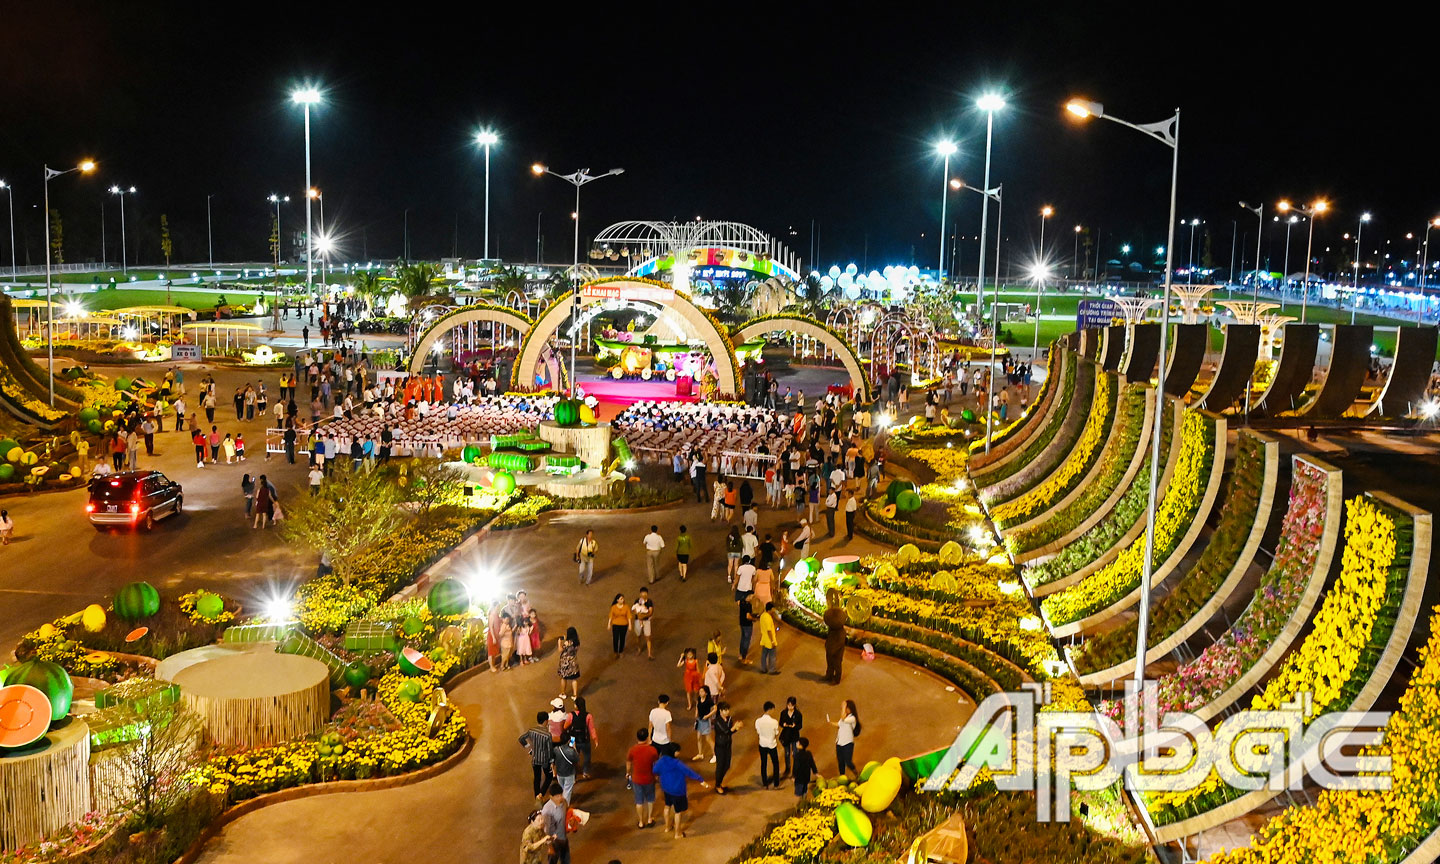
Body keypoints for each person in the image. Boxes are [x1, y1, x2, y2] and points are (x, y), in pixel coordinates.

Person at [653, 743, 705, 839]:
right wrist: (700, 779)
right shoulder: (677, 763)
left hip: (666, 788)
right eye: (678, 751)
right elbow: (689, 772)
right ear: (673, 752)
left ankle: (667, 827)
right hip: (677, 790)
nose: (679, 752)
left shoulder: (661, 761)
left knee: (667, 806)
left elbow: (654, 770)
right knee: (678, 812)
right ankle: (678, 833)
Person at [626, 728, 660, 829]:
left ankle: (641, 822)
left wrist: (628, 773)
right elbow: (655, 764)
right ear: (647, 737)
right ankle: (650, 819)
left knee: (639, 801)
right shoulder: (652, 750)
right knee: (650, 799)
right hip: (649, 778)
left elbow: (628, 763)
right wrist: (656, 775)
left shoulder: (632, 750)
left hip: (637, 779)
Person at [520, 712, 556, 798]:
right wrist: (552, 761)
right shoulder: (547, 735)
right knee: (549, 776)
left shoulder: (531, 730)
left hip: (535, 759)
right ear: (545, 721)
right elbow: (549, 750)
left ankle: (536, 795)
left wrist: (529, 748)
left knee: (537, 778)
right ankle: (541, 794)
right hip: (544, 760)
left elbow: (521, 739)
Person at [829, 699, 860, 778]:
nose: (845, 710)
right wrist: (830, 722)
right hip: (839, 742)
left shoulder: (852, 718)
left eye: (846, 708)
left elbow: (843, 719)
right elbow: (839, 724)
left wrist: (843, 706)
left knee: (848, 761)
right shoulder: (844, 718)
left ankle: (856, 773)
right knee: (840, 762)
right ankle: (842, 776)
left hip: (848, 743)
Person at [540, 783, 570, 864]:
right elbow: (546, 830)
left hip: (563, 838)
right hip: (554, 842)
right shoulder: (547, 810)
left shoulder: (564, 802)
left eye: (561, 795)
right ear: (551, 797)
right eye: (557, 796)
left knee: (566, 861)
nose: (560, 798)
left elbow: (567, 813)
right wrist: (550, 847)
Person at [712, 701, 738, 794]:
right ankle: (717, 785)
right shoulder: (717, 721)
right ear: (720, 711)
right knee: (720, 766)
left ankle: (719, 782)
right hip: (720, 746)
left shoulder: (730, 719)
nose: (727, 712)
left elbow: (730, 732)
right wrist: (734, 727)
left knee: (727, 765)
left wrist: (736, 728)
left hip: (727, 745)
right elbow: (726, 731)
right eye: (725, 710)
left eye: (728, 710)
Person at [568, 696, 597, 779]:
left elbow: (566, 726)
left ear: (576, 706)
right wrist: (595, 739)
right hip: (585, 739)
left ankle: (573, 775)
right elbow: (591, 728)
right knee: (587, 757)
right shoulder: (588, 716)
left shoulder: (571, 715)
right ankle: (585, 772)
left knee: (572, 756)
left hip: (573, 739)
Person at [823, 591, 847, 684]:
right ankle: (828, 676)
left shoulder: (840, 632)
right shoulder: (832, 629)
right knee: (830, 664)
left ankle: (836, 679)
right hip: (830, 650)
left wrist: (831, 650)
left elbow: (839, 643)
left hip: (836, 653)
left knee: (837, 665)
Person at [755, 700, 781, 789]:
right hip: (771, 744)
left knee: (764, 763)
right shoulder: (774, 722)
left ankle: (765, 783)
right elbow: (776, 733)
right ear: (770, 709)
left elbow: (758, 731)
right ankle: (776, 783)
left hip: (762, 744)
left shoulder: (758, 721)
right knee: (775, 764)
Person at [779, 696, 803, 778]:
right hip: (786, 736)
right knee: (787, 753)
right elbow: (780, 722)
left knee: (795, 754)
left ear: (794, 705)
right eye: (788, 705)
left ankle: (795, 772)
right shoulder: (783, 713)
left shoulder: (798, 714)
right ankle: (787, 769)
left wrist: (795, 726)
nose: (790, 707)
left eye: (791, 706)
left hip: (794, 736)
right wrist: (783, 724)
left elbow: (800, 726)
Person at [552, 733, 580, 803]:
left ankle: (560, 802)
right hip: (569, 774)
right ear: (568, 741)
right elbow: (577, 759)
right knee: (567, 791)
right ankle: (564, 806)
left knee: (562, 789)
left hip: (559, 773)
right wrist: (574, 748)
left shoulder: (556, 749)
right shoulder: (571, 751)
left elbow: (553, 759)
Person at [557, 627, 581, 699]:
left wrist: (559, 643)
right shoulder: (577, 642)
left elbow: (560, 649)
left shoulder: (567, 643)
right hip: (573, 661)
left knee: (564, 678)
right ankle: (575, 695)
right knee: (574, 679)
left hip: (565, 663)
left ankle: (563, 693)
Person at [694, 685, 716, 763]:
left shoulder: (709, 701)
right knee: (699, 738)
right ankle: (700, 754)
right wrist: (696, 713)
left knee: (708, 739)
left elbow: (715, 709)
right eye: (700, 691)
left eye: (702, 691)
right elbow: (697, 706)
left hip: (706, 721)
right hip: (699, 720)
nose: (700, 693)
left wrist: (708, 716)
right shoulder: (699, 699)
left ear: (706, 693)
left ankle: (715, 755)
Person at [631, 587, 654, 659]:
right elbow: (634, 610)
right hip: (638, 620)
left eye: (645, 593)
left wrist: (643, 615)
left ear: (647, 594)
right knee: (638, 636)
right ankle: (639, 648)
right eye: (642, 593)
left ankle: (649, 654)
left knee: (648, 637)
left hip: (646, 621)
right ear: (640, 594)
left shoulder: (649, 602)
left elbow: (650, 612)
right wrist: (639, 615)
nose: (643, 594)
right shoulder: (637, 601)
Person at [758, 601, 780, 675]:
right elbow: (769, 631)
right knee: (772, 656)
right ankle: (772, 669)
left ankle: (763, 668)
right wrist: (773, 641)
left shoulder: (763, 615)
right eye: (773, 609)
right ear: (770, 609)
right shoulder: (768, 618)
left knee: (764, 655)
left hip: (764, 639)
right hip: (769, 641)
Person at [736, 596, 758, 665]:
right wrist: (754, 619)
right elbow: (748, 616)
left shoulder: (741, 602)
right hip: (747, 625)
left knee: (743, 639)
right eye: (751, 596)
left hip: (742, 623)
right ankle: (744, 658)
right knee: (746, 641)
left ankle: (741, 655)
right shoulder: (748, 605)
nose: (752, 597)